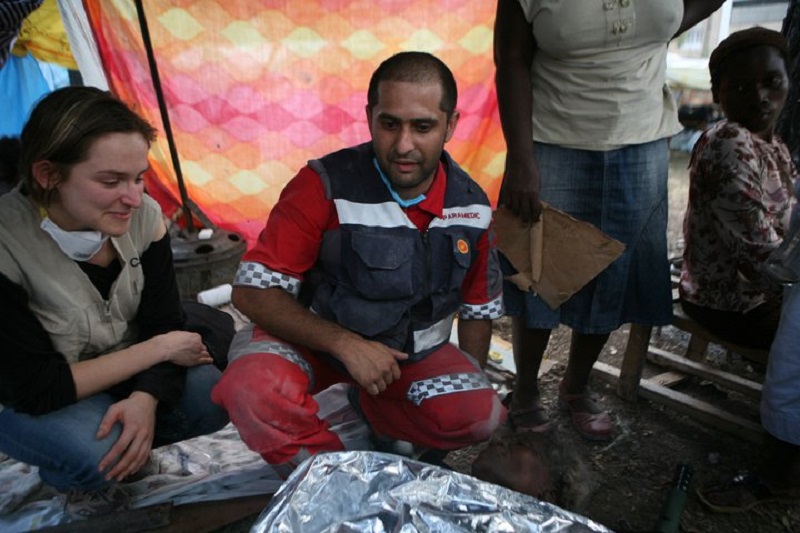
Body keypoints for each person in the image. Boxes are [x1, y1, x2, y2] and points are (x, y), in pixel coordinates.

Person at [211, 51, 506, 475]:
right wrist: (345, 345)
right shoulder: (323, 184)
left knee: (481, 416)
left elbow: (478, 311)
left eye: (423, 127)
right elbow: (252, 292)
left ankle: (372, 409)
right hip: (313, 345)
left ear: (451, 125)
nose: (403, 145)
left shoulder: (472, 207)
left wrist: (469, 380)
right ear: (369, 117)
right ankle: (332, 480)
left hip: (405, 363)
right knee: (251, 388)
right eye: (390, 124)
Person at [493, 0, 725, 440]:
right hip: (552, 141)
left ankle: (576, 386)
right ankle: (525, 391)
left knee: (614, 274)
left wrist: (665, 26)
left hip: (642, 142)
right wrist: (521, 158)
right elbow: (511, 60)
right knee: (539, 274)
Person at [0, 87, 230, 516]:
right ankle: (73, 472)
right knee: (96, 455)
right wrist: (158, 350)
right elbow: (37, 387)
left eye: (139, 177)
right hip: (34, 395)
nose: (134, 197)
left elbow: (164, 320)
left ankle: (127, 442)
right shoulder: (6, 244)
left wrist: (146, 399)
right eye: (111, 181)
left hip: (121, 371)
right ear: (47, 175)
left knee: (214, 394)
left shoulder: (145, 217)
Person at [679, 27, 796, 352]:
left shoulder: (774, 144)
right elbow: (758, 256)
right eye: (741, 87)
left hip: (764, 292)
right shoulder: (729, 142)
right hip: (732, 304)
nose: (759, 97)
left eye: (772, 82)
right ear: (717, 94)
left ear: (788, 82)